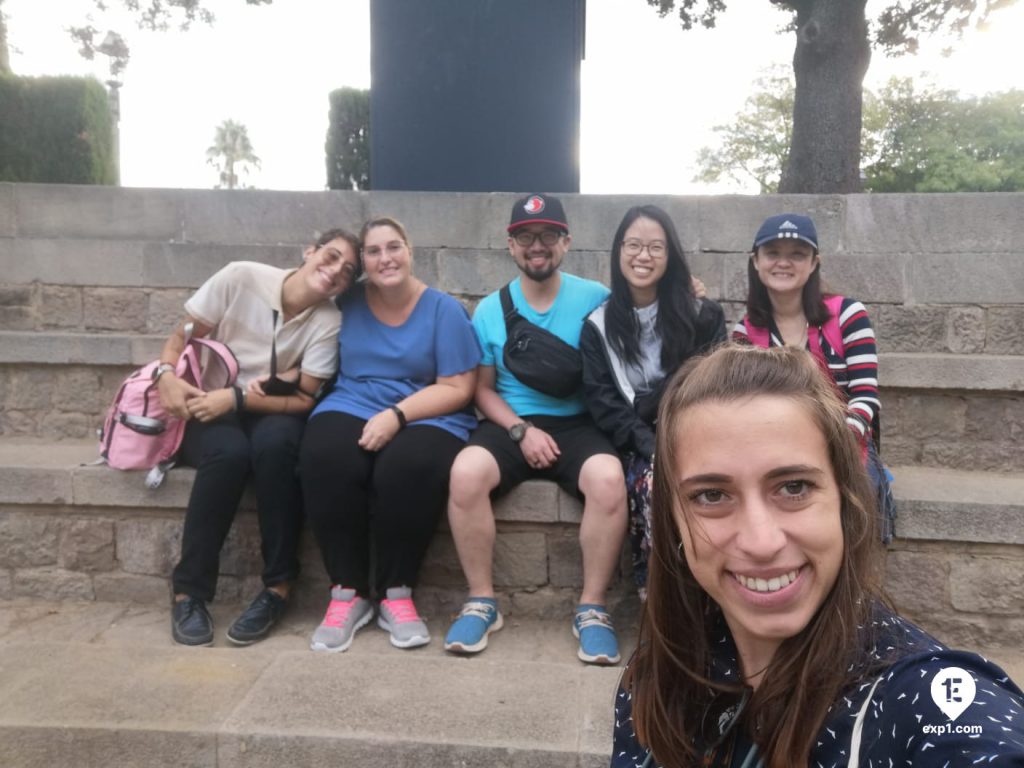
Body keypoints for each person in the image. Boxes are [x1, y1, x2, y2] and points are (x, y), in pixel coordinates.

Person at [611, 344, 1024, 767]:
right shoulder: (652, 683)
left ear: (844, 501)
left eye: (794, 487)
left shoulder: (929, 697)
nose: (761, 541)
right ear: (673, 520)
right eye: (711, 495)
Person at [444, 193, 628, 666]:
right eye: (525, 236)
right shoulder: (489, 309)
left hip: (579, 423)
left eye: (548, 235)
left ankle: (591, 608)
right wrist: (520, 430)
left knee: (609, 481)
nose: (537, 245)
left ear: (566, 243)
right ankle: (481, 600)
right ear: (511, 245)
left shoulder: (595, 297)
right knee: (465, 474)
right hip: (512, 421)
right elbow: (483, 390)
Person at [160, 228, 361, 646]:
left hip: (266, 407)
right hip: (206, 401)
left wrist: (235, 400)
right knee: (228, 455)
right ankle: (189, 593)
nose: (334, 270)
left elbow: (306, 395)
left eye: (347, 271)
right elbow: (184, 332)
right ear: (309, 250)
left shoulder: (328, 320)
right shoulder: (241, 277)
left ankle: (278, 588)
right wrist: (165, 375)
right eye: (330, 255)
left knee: (277, 448)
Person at [299, 216, 481, 653]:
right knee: (325, 455)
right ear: (363, 261)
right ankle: (349, 593)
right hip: (352, 402)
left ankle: (396, 593)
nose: (386, 258)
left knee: (408, 466)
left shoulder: (444, 310)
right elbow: (300, 297)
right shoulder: (350, 301)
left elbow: (459, 388)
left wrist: (396, 416)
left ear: (410, 251)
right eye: (375, 251)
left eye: (394, 247)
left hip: (428, 412)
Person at [580, 205, 726, 598]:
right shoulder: (599, 326)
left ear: (670, 255)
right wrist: (651, 445)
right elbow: (605, 404)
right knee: (656, 484)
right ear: (618, 252)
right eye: (634, 245)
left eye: (655, 247)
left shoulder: (701, 315)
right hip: (636, 444)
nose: (643, 256)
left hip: (696, 434)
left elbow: (713, 385)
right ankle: (659, 599)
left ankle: (711, 597)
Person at [732, 213, 895, 542]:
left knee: (849, 503)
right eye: (773, 253)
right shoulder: (745, 332)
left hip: (846, 441)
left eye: (797, 254)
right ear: (756, 261)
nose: (783, 263)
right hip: (774, 443)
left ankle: (854, 586)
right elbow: (742, 407)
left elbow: (865, 397)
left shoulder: (848, 315)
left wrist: (831, 443)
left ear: (814, 263)